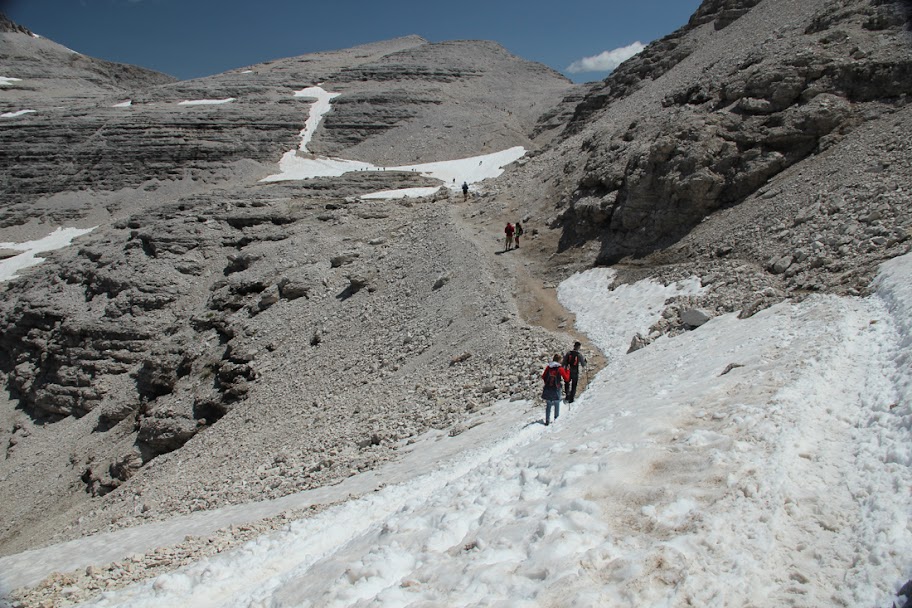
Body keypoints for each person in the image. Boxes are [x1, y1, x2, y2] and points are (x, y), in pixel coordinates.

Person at [541, 354, 570, 426]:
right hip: (556, 387)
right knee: (557, 403)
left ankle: (547, 420)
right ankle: (556, 419)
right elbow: (566, 378)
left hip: (548, 387)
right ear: (559, 360)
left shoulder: (549, 367)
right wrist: (568, 370)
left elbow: (543, 376)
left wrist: (547, 383)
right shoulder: (560, 368)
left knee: (549, 404)